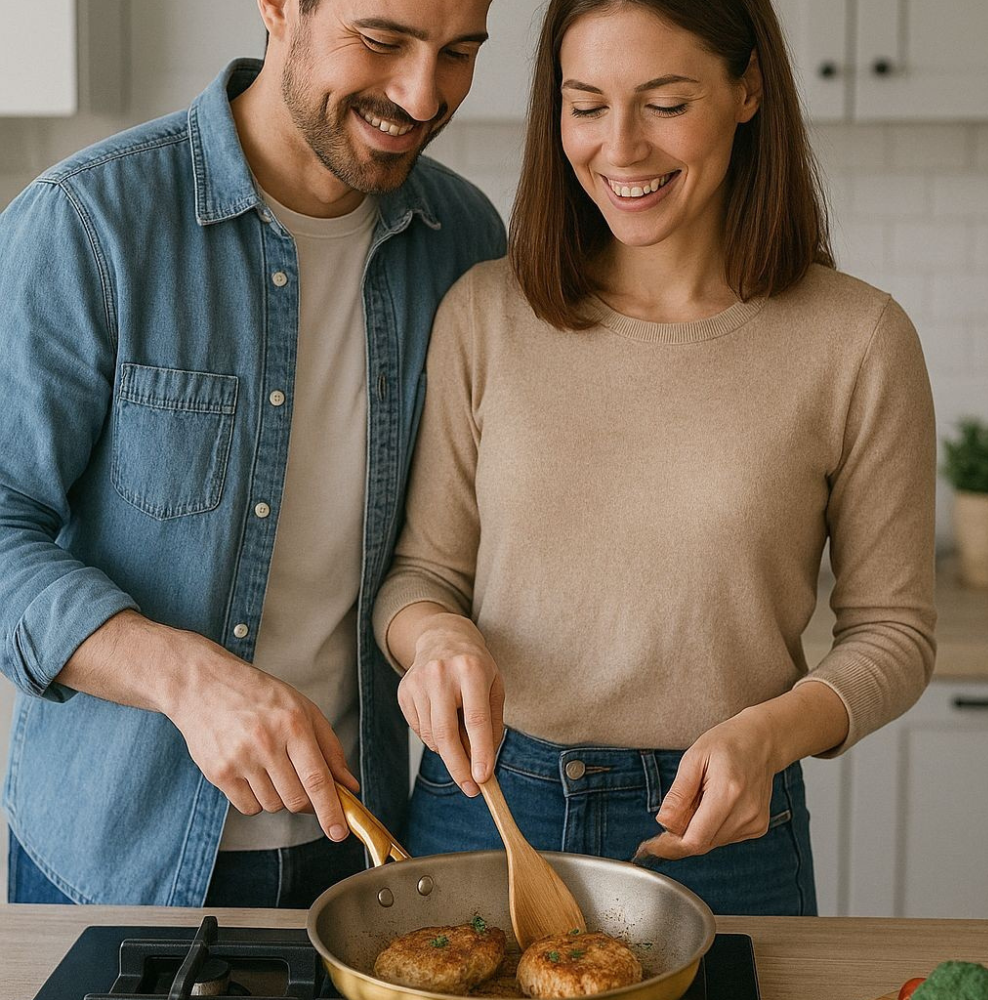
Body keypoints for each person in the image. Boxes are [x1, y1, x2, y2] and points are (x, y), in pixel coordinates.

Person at [372, 0, 936, 916]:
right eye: (586, 105)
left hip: (723, 833)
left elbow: (894, 634)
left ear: (749, 90)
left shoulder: (857, 339)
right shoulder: (485, 312)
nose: (620, 147)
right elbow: (419, 575)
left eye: (665, 103)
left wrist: (769, 734)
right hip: (484, 810)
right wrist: (436, 639)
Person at [0, 0, 503, 907]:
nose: (422, 94)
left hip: (364, 859)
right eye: (383, 41)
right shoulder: (90, 223)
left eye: (459, 52)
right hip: (117, 863)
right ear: (277, 8)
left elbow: (453, 545)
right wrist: (187, 679)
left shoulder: (465, 245)